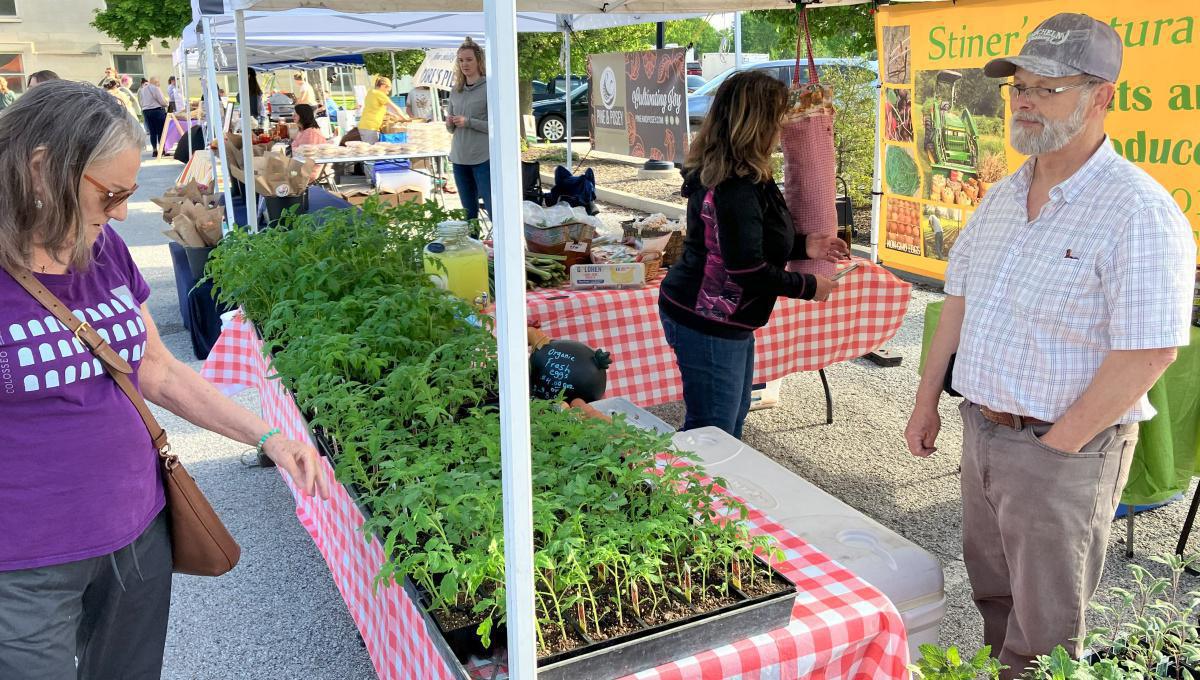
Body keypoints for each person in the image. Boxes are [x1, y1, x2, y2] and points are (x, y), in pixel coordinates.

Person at [0, 79, 329, 679]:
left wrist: (267, 437)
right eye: (112, 193)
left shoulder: (103, 251)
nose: (124, 211)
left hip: (139, 527)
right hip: (24, 562)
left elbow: (156, 368)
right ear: (43, 170)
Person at [905, 13, 1195, 678]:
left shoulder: (1139, 211)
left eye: (1047, 88)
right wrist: (927, 404)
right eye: (1020, 87)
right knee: (996, 599)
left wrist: (1055, 449)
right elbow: (959, 302)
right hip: (982, 432)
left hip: (1062, 450)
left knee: (1047, 636)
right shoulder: (1005, 195)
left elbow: (1150, 353)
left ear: (1102, 97)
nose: (1027, 101)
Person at [657, 70, 848, 439]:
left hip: (723, 318)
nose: (783, 125)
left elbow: (750, 240)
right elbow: (747, 269)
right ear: (757, 121)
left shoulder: (747, 170)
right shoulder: (735, 185)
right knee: (713, 429)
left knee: (730, 417)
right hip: (707, 320)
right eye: (777, 116)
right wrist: (809, 285)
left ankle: (711, 489)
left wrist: (805, 244)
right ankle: (690, 493)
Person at [446, 37, 492, 220]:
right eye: (461, 60)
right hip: (459, 158)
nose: (464, 64)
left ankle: (498, 247)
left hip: (482, 158)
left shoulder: (490, 88)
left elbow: (496, 127)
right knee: (468, 213)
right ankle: (473, 246)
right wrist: (450, 122)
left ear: (479, 61)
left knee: (492, 209)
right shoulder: (455, 90)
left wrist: (469, 122)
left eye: (469, 59)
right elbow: (450, 129)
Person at [358, 75, 409, 144]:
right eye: (387, 91)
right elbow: (394, 108)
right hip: (370, 127)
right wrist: (405, 119)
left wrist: (393, 116)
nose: (387, 93)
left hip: (365, 126)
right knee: (373, 151)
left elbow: (377, 109)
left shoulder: (371, 92)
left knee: (371, 149)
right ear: (383, 86)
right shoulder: (379, 94)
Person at [138, 76, 169, 157]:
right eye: (158, 82)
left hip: (146, 111)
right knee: (160, 131)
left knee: (152, 132)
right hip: (157, 111)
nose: (159, 83)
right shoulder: (155, 88)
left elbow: (141, 101)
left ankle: (154, 150)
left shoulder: (142, 89)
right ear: (155, 82)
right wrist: (167, 104)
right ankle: (162, 149)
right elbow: (161, 100)